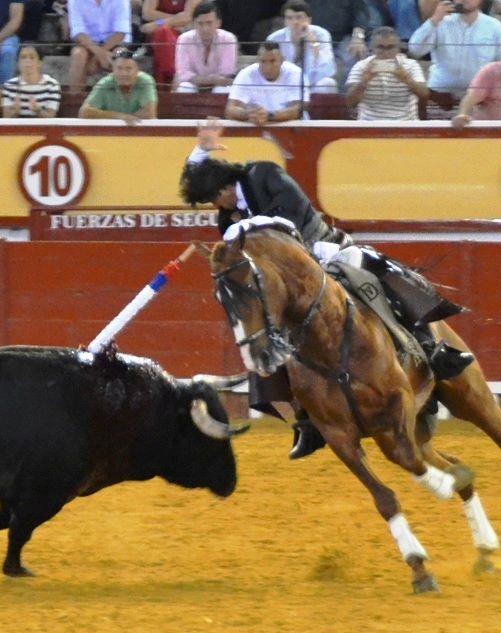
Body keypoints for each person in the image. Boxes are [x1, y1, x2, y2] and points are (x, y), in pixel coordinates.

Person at [179, 119, 474, 459]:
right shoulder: (226, 219)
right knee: (264, 337)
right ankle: (305, 421)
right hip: (291, 288)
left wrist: (244, 224)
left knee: (378, 280)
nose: (218, 207)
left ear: (224, 186)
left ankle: (434, 351)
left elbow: (291, 216)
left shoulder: (264, 174)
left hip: (325, 250)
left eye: (216, 198)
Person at [407, 0, 501, 114]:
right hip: (439, 97)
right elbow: (415, 50)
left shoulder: (495, 27)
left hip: (478, 100)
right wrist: (434, 20)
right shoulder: (441, 22)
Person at [345, 26, 427, 120]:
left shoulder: (411, 65)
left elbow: (424, 95)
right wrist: (364, 82)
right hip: (369, 125)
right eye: (381, 47)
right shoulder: (361, 66)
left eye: (390, 47)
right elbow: (350, 103)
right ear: (372, 48)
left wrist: (407, 80)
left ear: (398, 48)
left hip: (406, 124)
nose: (386, 52)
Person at [225, 40, 306, 124]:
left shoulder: (295, 73)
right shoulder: (246, 74)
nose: (268, 67)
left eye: (272, 61)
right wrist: (248, 114)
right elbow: (230, 110)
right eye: (263, 61)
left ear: (282, 60)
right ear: (257, 60)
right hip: (255, 127)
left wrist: (269, 116)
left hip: (289, 128)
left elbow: (298, 110)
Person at [264, 0, 337, 93]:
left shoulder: (321, 34)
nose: (295, 22)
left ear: (308, 19)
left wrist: (313, 43)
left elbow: (328, 70)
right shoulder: (274, 38)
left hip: (312, 84)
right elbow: (269, 69)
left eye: (299, 17)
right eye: (289, 18)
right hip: (285, 85)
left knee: (328, 83)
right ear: (285, 21)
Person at [77, 45, 157, 122]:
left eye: (128, 69)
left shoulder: (145, 81)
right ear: (113, 70)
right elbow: (84, 112)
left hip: (139, 133)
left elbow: (149, 113)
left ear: (137, 70)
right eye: (119, 68)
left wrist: (126, 121)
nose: (123, 73)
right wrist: (120, 117)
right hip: (110, 133)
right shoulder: (106, 82)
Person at [66, 0, 131, 92]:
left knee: (121, 55)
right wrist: (100, 53)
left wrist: (97, 57)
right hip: (88, 43)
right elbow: (78, 32)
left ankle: (124, 101)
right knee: (78, 54)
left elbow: (120, 32)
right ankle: (75, 99)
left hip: (115, 42)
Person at [173, 1, 236, 93]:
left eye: (209, 23)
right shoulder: (184, 39)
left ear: (218, 23)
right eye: (200, 23)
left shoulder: (228, 39)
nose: (205, 28)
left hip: (218, 85)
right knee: (185, 87)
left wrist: (207, 80)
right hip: (193, 83)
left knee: (223, 89)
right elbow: (183, 74)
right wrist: (211, 80)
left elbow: (226, 74)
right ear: (193, 24)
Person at [139, 0, 199, 88]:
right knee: (162, 33)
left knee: (164, 32)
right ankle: (170, 76)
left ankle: (168, 78)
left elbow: (188, 17)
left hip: (183, 33)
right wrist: (176, 20)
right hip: (159, 35)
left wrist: (157, 23)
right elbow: (147, 13)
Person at [0, 42, 60, 117]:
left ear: (39, 62)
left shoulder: (51, 85)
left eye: (32, 57)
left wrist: (38, 111)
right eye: (23, 57)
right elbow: (6, 120)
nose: (27, 60)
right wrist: (15, 112)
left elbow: (51, 118)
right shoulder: (9, 85)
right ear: (18, 62)